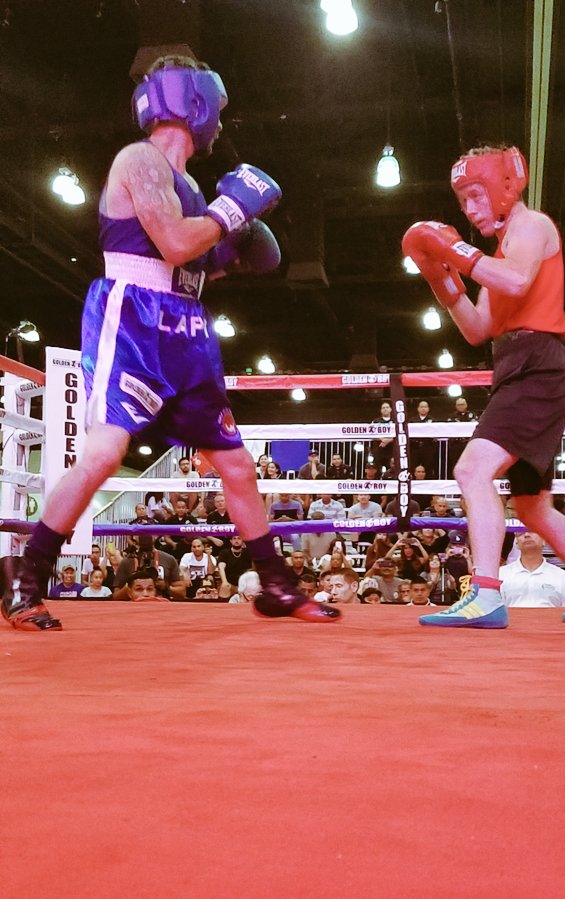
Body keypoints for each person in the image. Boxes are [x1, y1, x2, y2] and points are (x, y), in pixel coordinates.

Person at [1, 53, 337, 630]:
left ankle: (276, 586)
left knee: (236, 465)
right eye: (217, 111)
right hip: (133, 316)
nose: (221, 126)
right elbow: (176, 243)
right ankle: (25, 578)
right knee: (105, 451)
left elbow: (192, 265)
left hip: (186, 328)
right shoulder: (139, 160)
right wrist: (232, 211)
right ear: (194, 102)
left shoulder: (192, 187)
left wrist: (232, 252)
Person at [403, 144, 565, 628]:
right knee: (533, 507)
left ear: (504, 186)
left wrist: (457, 253)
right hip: (516, 366)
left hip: (536, 365)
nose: (470, 209)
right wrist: (442, 279)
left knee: (472, 470)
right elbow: (478, 328)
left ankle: (485, 594)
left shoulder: (531, 226)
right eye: (463, 202)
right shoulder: (495, 255)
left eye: (476, 195)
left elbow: (517, 281)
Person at [498, 530, 565, 608]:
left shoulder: (561, 576)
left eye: (532, 531)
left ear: (544, 541)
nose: (526, 535)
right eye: (521, 533)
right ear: (516, 543)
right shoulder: (501, 574)